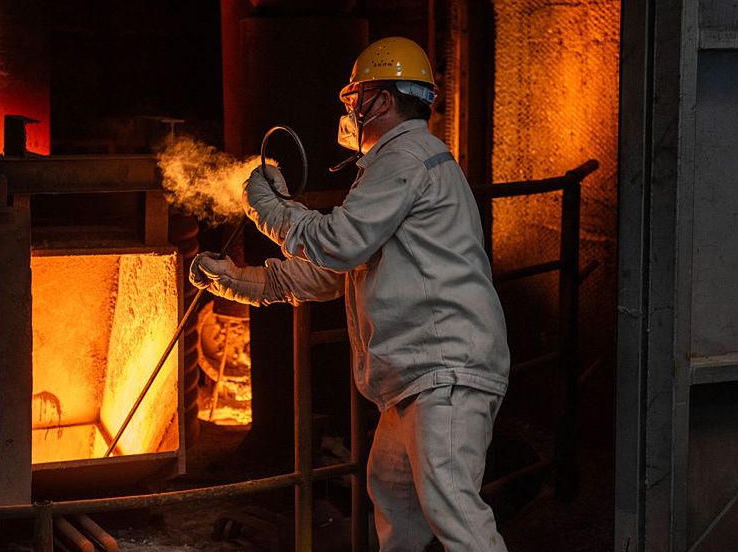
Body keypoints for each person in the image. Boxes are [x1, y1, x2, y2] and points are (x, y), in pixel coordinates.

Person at [190, 36, 511, 552]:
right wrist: (237, 280)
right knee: (396, 507)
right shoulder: (396, 169)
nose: (350, 111)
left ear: (381, 100)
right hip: (415, 381)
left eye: (354, 97)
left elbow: (337, 244)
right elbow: (327, 274)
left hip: (443, 373)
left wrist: (266, 208)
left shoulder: (405, 155)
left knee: (455, 514)